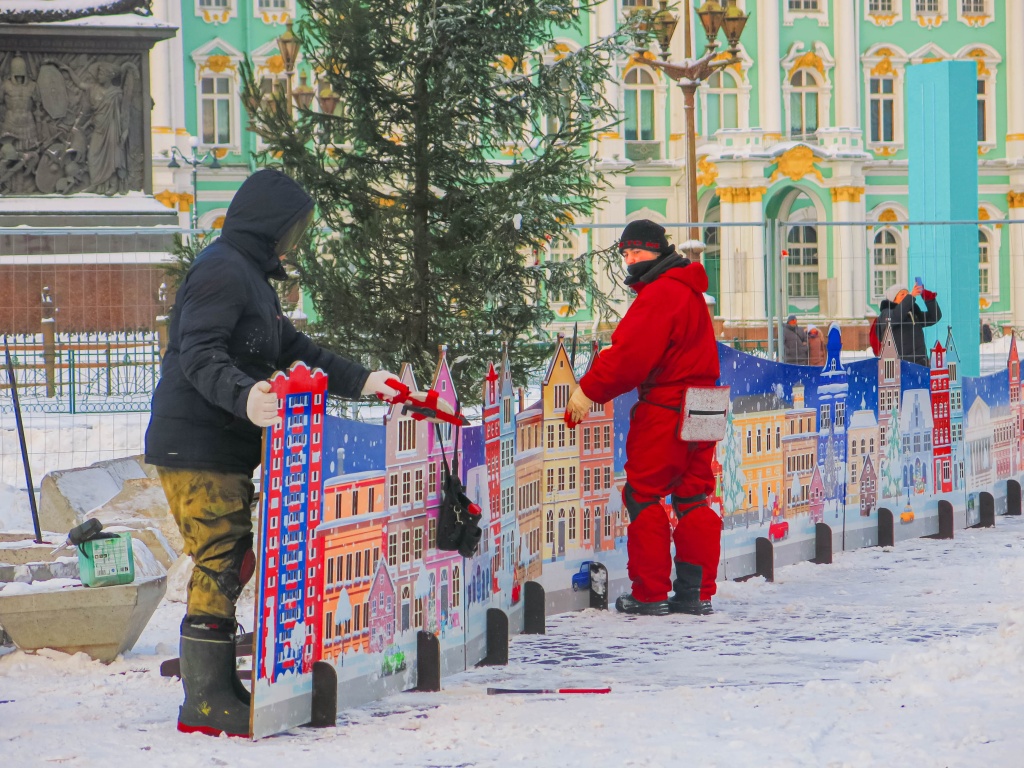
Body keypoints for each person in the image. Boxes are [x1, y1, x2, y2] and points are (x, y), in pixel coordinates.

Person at [145, 168, 399, 738]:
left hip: (222, 444)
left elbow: (292, 348)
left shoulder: (250, 276)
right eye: (289, 232)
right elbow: (200, 353)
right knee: (220, 555)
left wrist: (364, 380)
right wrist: (245, 395)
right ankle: (205, 701)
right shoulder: (220, 271)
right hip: (196, 442)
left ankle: (218, 688)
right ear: (265, 225)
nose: (293, 244)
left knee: (234, 557)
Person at [566, 219, 721, 616]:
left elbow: (629, 357)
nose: (631, 260)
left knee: (643, 494)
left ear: (659, 250)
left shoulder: (660, 295)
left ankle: (650, 593)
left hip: (668, 405)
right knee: (693, 497)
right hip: (706, 402)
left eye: (638, 252)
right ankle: (695, 592)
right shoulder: (689, 290)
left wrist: (588, 391)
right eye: (626, 253)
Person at [876, 281, 941, 367]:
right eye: (902, 294)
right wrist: (911, 296)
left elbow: (934, 317)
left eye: (907, 294)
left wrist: (928, 298)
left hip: (920, 362)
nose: (906, 296)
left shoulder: (913, 313)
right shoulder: (886, 313)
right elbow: (896, 316)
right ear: (893, 298)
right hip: (901, 364)